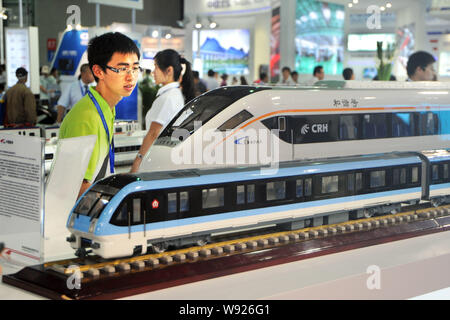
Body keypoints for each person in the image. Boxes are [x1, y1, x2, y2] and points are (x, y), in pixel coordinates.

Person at [59, 32, 141, 198]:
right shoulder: (87, 117)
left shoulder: (106, 108)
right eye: (122, 68)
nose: (130, 76)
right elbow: (73, 186)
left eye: (135, 68)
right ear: (98, 71)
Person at [130, 49, 195, 173]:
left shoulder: (168, 97)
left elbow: (154, 132)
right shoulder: (173, 94)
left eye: (156, 67)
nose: (153, 72)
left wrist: (138, 160)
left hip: (157, 158)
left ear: (169, 70)